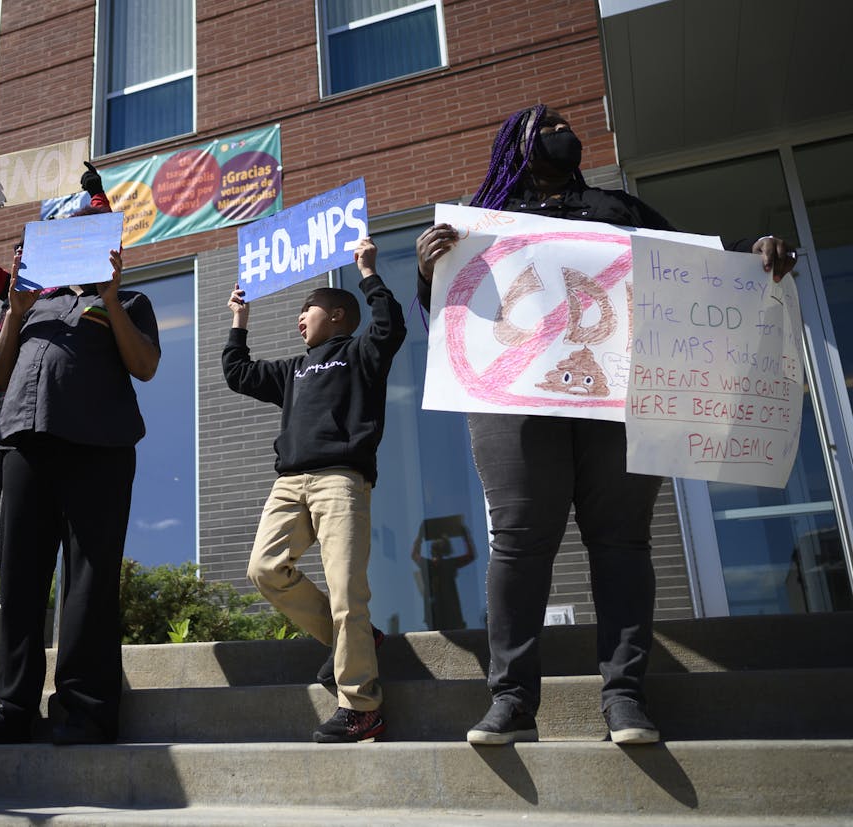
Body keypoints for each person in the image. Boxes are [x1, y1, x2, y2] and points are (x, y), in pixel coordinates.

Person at [414, 103, 798, 746]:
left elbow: (692, 266)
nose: (568, 132)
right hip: (516, 403)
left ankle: (625, 698)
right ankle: (511, 701)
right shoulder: (480, 221)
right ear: (518, 145)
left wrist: (752, 256)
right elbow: (447, 315)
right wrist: (429, 272)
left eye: (569, 124)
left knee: (621, 543)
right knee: (518, 541)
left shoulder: (619, 208)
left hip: (615, 397)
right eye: (552, 126)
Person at [0, 222, 160, 747]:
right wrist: (15, 309)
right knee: (20, 580)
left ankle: (85, 709)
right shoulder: (32, 305)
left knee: (89, 582)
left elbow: (145, 365)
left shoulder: (132, 300)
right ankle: (13, 706)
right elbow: (0, 374)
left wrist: (111, 300)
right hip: (27, 444)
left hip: (100, 449)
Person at [222, 237, 407, 743]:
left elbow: (390, 328)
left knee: (348, 591)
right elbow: (237, 374)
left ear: (340, 316)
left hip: (340, 481)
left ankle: (361, 705)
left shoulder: (361, 353)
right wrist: (241, 319)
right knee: (265, 568)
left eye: (310, 310)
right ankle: (360, 643)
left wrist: (367, 272)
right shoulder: (293, 370)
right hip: (289, 483)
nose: (300, 319)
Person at [0, 161, 109, 602]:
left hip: (47, 403)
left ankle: (27, 583)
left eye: (28, 251)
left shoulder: (67, 292)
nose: (19, 258)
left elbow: (104, 240)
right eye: (17, 251)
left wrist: (96, 196)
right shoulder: (8, 290)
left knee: (32, 492)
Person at [411, 521, 477, 631]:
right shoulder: (431, 564)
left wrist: (420, 536)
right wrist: (465, 535)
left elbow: (414, 555)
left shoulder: (437, 564)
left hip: (446, 613)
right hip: (440, 612)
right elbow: (470, 556)